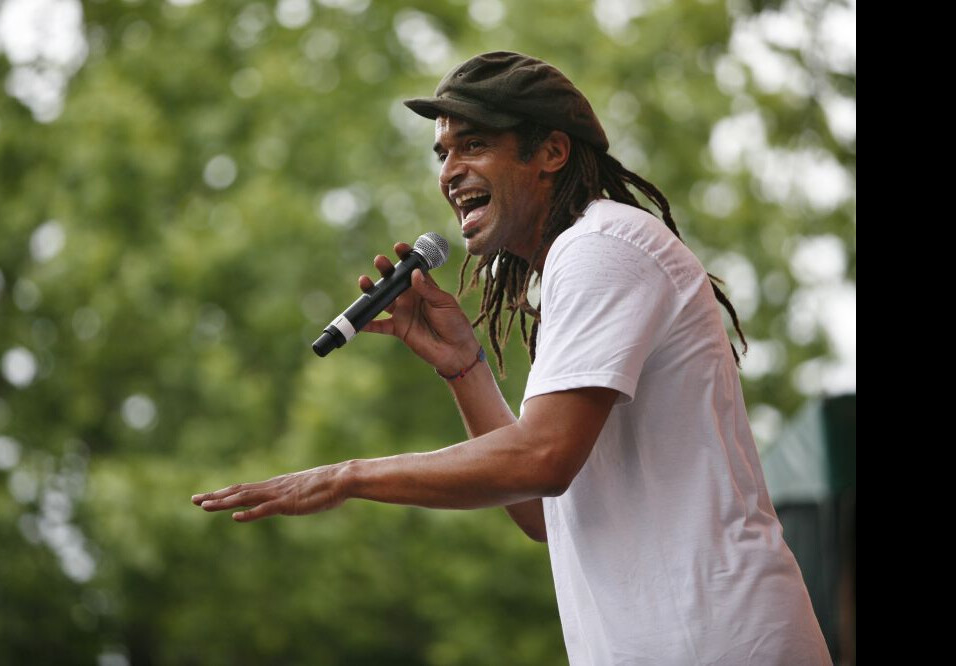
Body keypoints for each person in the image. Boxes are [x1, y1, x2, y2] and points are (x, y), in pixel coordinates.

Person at [193, 51, 830, 664]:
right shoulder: (579, 260)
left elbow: (542, 460)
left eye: (474, 145)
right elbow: (540, 510)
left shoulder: (601, 244)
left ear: (551, 151)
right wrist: (463, 366)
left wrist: (345, 477)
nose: (448, 172)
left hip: (715, 644)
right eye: (443, 153)